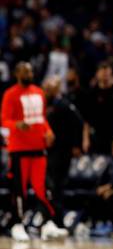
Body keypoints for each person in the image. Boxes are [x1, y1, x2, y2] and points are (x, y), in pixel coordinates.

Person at [2, 62, 68, 241]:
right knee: (20, 189)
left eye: (30, 71)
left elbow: (42, 118)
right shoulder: (10, 94)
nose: (29, 73)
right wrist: (16, 124)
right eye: (25, 71)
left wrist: (48, 131)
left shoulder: (38, 92)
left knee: (43, 188)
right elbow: (4, 119)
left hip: (38, 148)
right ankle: (17, 224)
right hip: (19, 149)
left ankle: (47, 224)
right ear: (17, 73)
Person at [43, 76, 83, 228]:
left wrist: (76, 145)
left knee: (56, 187)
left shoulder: (64, 104)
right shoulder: (48, 104)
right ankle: (51, 220)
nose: (46, 89)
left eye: (50, 87)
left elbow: (78, 122)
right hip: (50, 151)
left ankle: (57, 222)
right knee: (51, 188)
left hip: (61, 151)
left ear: (57, 88)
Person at [82, 61, 113, 155]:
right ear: (97, 74)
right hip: (97, 137)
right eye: (102, 72)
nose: (105, 75)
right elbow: (87, 120)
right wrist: (85, 139)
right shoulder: (91, 93)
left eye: (107, 72)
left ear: (111, 73)